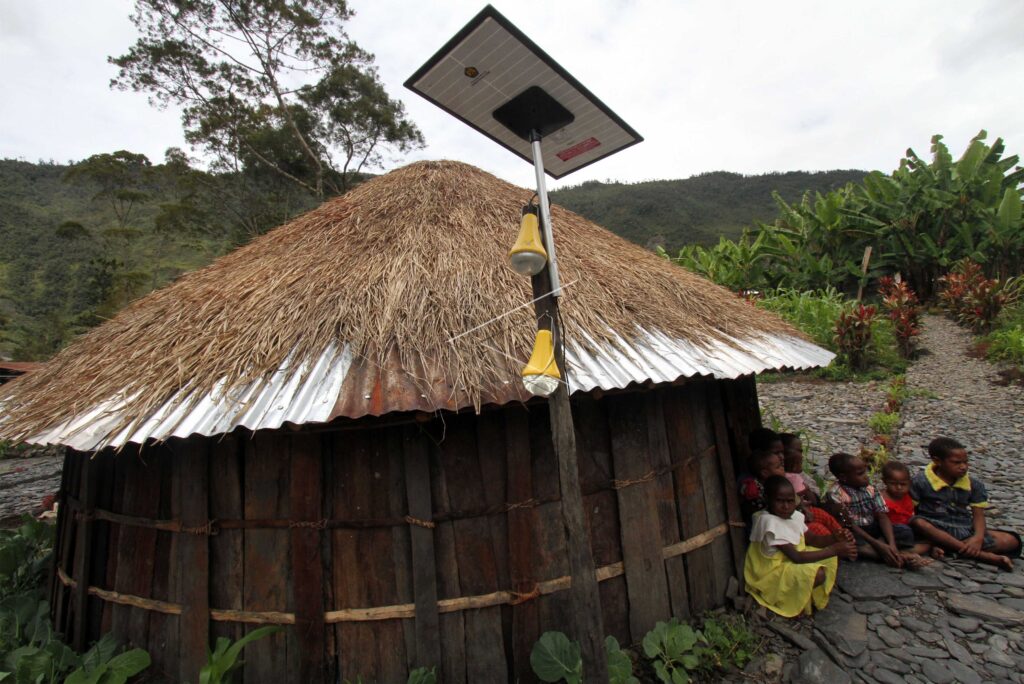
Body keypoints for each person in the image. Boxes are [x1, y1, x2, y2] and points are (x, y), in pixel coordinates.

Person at [744, 475, 857, 617]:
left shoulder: (795, 516)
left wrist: (835, 538)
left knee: (829, 559)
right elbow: (796, 557)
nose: (785, 506)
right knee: (818, 572)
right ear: (767, 500)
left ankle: (803, 596)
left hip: (789, 562)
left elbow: (814, 540)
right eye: (779, 501)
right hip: (771, 573)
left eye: (790, 501)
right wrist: (834, 549)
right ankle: (786, 599)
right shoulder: (767, 521)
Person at [909, 437, 1021, 571]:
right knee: (918, 522)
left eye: (965, 462)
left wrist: (978, 538)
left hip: (963, 529)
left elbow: (978, 515)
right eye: (956, 463)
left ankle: (945, 547)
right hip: (933, 527)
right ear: (937, 461)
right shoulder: (920, 482)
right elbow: (911, 511)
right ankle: (983, 556)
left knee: (1011, 540)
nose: (963, 467)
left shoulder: (973, 484)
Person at [825, 452, 927, 569]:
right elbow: (850, 525)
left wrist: (891, 543)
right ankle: (898, 556)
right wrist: (877, 544)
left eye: (865, 471)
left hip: (872, 527)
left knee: (904, 531)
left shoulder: (870, 489)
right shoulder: (836, 494)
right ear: (843, 477)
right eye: (860, 473)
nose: (866, 476)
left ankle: (889, 551)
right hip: (855, 531)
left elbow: (882, 516)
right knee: (849, 544)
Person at [880, 461, 936, 563]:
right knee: (903, 531)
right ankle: (901, 552)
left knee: (928, 539)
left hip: (907, 528)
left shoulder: (908, 496)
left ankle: (906, 551)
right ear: (884, 482)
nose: (899, 488)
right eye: (893, 484)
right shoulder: (881, 499)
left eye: (903, 484)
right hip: (891, 532)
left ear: (909, 483)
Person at [779, 432, 820, 505]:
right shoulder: (791, 477)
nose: (801, 456)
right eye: (799, 451)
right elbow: (814, 502)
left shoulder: (796, 473)